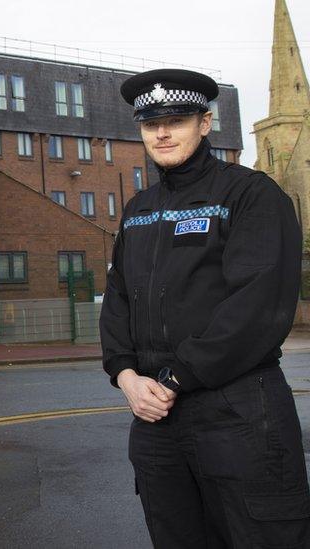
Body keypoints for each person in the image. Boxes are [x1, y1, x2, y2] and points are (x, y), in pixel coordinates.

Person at [100, 68, 310, 547]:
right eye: (151, 123)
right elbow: (119, 301)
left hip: (238, 412)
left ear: (205, 123)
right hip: (156, 420)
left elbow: (257, 306)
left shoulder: (250, 195)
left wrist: (175, 378)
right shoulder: (139, 210)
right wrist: (125, 375)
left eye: (176, 119)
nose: (163, 132)